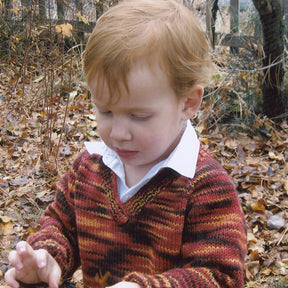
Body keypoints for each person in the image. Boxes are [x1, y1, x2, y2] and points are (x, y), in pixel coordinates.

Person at [5, 0, 247, 287]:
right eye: (105, 111)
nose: (118, 133)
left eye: (139, 116)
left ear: (188, 102)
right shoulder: (89, 169)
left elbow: (221, 275)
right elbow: (60, 226)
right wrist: (48, 258)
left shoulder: (205, 188)